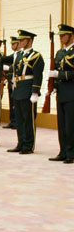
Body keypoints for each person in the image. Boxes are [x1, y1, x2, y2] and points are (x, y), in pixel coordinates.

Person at [9, 30, 44, 154]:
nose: (20, 42)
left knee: (28, 119)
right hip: (18, 89)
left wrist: (35, 92)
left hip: (28, 90)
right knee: (19, 120)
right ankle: (21, 143)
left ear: (30, 40)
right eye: (20, 40)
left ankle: (28, 145)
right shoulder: (19, 55)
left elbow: (38, 75)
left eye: (23, 40)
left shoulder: (36, 56)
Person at [49, 24, 74, 163]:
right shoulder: (59, 53)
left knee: (71, 125)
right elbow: (56, 69)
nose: (61, 38)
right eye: (60, 35)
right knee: (62, 125)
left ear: (71, 36)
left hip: (72, 92)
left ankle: (71, 153)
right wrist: (53, 86)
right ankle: (63, 151)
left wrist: (60, 75)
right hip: (61, 92)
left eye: (63, 35)